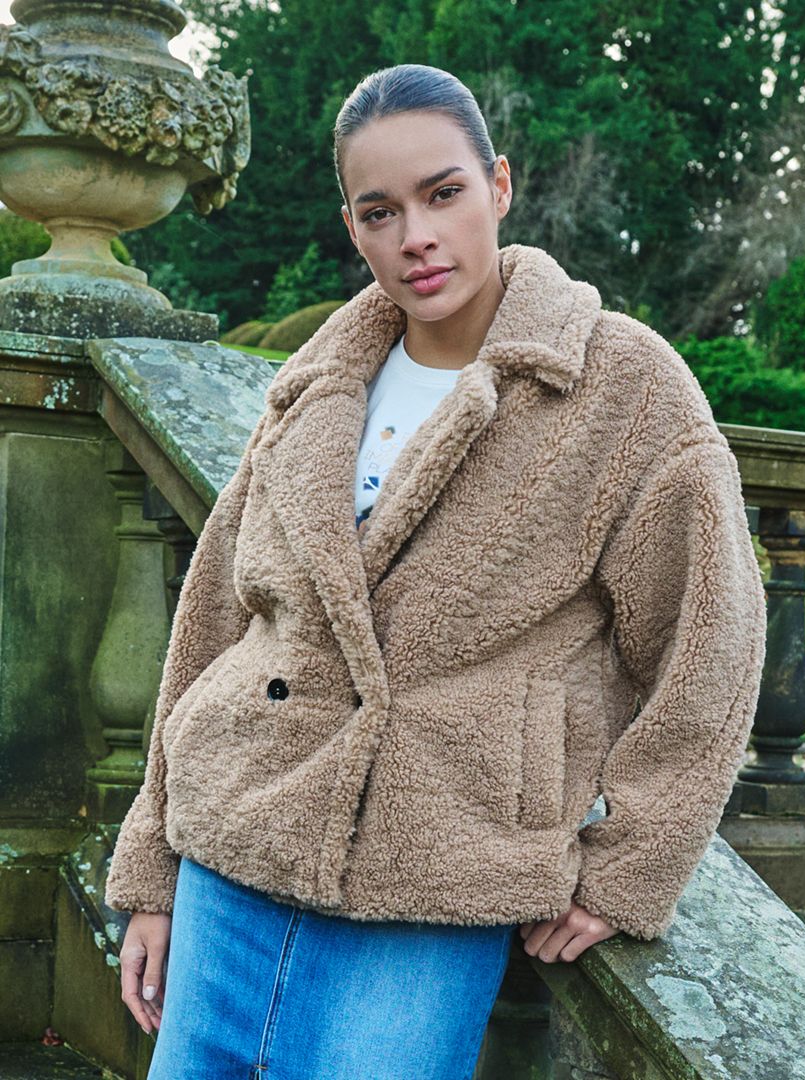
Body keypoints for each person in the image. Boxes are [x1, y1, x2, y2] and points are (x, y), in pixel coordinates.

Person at [104, 63, 766, 1078]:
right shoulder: (316, 381)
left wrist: (631, 864)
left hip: (440, 870)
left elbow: (710, 639)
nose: (414, 234)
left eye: (442, 193)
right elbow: (215, 623)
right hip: (231, 844)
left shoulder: (622, 385)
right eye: (380, 211)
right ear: (352, 227)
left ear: (497, 186)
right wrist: (152, 863)